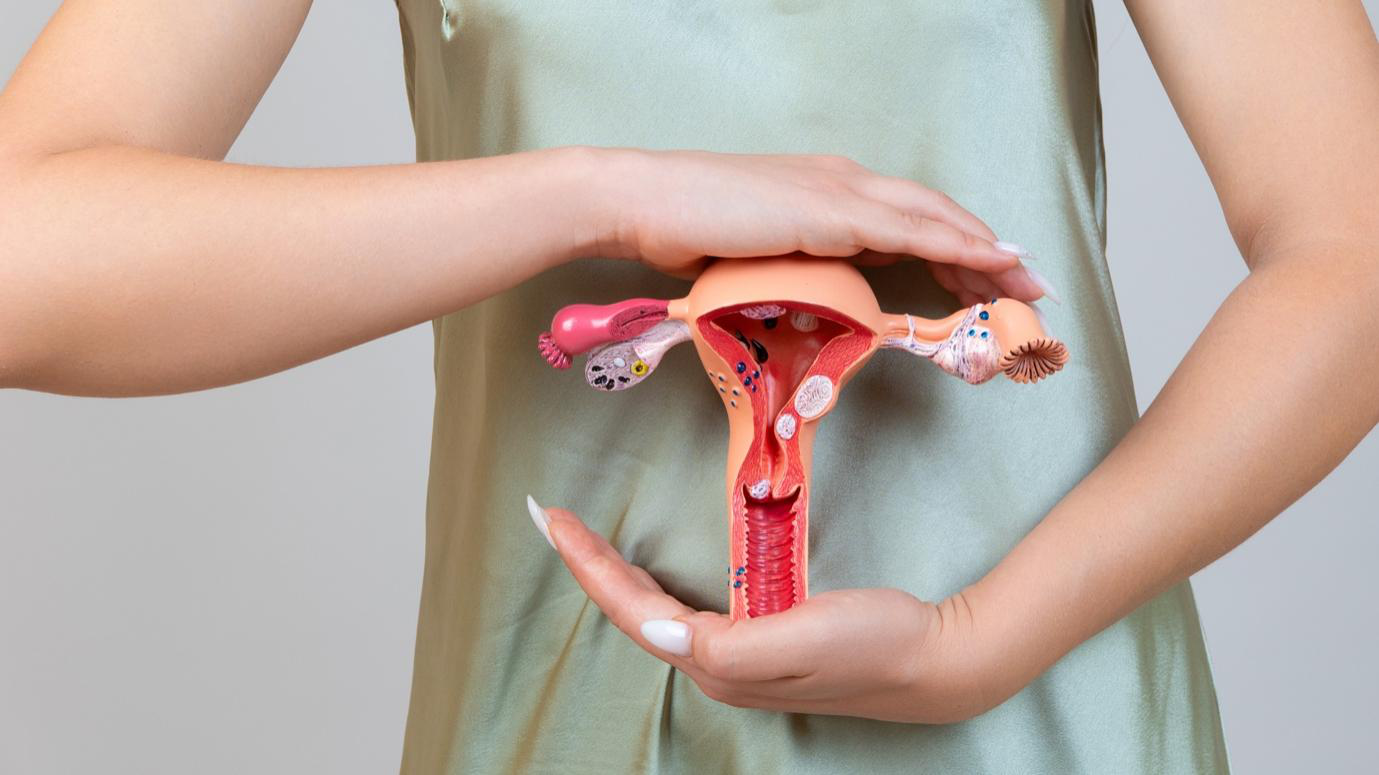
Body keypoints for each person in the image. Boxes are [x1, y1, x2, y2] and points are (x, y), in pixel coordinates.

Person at [1, 1, 1375, 772]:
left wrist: (986, 630)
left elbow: (1353, 248)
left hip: (1036, 716)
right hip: (565, 721)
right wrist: (599, 193)